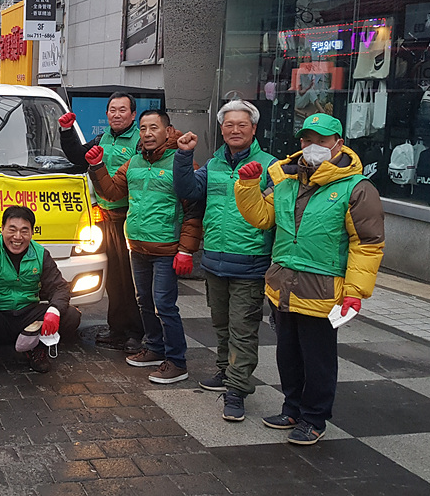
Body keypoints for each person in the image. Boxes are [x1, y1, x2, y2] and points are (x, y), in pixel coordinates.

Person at [234, 113, 384, 445]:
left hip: (323, 290)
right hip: (283, 284)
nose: (312, 147)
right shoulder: (286, 180)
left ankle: (314, 418)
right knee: (287, 353)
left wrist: (355, 291)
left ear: (338, 144)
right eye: (306, 140)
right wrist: (246, 187)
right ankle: (292, 408)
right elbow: (262, 217)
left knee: (318, 358)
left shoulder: (356, 189)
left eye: (321, 140)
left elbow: (368, 244)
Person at [174, 100, 278, 422]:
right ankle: (224, 370)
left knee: (243, 329)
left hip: (250, 262)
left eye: (241, 125)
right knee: (221, 324)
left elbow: (276, 215)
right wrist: (183, 156)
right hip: (215, 261)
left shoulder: (270, 166)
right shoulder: (214, 164)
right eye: (229, 125)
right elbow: (188, 190)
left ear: (254, 129)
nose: (235, 130)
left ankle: (237, 390)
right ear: (221, 130)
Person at [86, 109, 203, 385]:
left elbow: (194, 210)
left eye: (154, 128)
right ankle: (153, 348)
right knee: (145, 302)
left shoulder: (183, 162)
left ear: (167, 130)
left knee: (164, 304)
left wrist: (186, 250)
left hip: (166, 248)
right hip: (136, 246)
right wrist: (98, 167)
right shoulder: (135, 161)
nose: (148, 133)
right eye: (144, 128)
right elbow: (112, 193)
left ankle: (177, 361)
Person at [59, 93, 145, 351]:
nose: (116, 115)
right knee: (113, 279)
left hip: (128, 219)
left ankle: (137, 332)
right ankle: (117, 328)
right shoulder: (103, 138)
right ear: (106, 114)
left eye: (122, 110)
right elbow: (77, 156)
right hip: (104, 219)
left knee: (131, 280)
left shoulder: (140, 142)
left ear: (133, 115)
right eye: (112, 110)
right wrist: (66, 130)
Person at [0, 206, 82, 381]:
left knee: (71, 314)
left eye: (24, 231)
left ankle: (38, 349)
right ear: (2, 229)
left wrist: (54, 310)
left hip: (28, 318)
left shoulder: (41, 254)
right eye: (12, 229)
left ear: (32, 233)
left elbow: (59, 287)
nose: (18, 237)